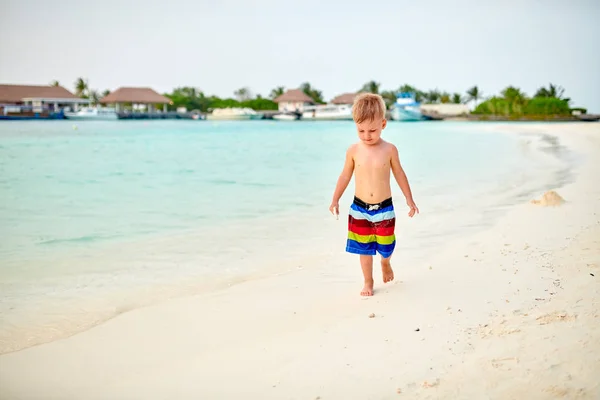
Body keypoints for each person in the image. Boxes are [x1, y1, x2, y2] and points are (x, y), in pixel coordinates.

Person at [329, 93, 419, 296]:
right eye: (361, 130)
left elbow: (399, 174)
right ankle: (368, 281)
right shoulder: (353, 151)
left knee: (386, 246)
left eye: (372, 130)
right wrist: (335, 199)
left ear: (383, 124)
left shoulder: (389, 150)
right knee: (364, 249)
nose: (367, 135)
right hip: (359, 208)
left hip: (384, 208)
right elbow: (344, 176)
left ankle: (385, 262)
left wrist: (409, 199)